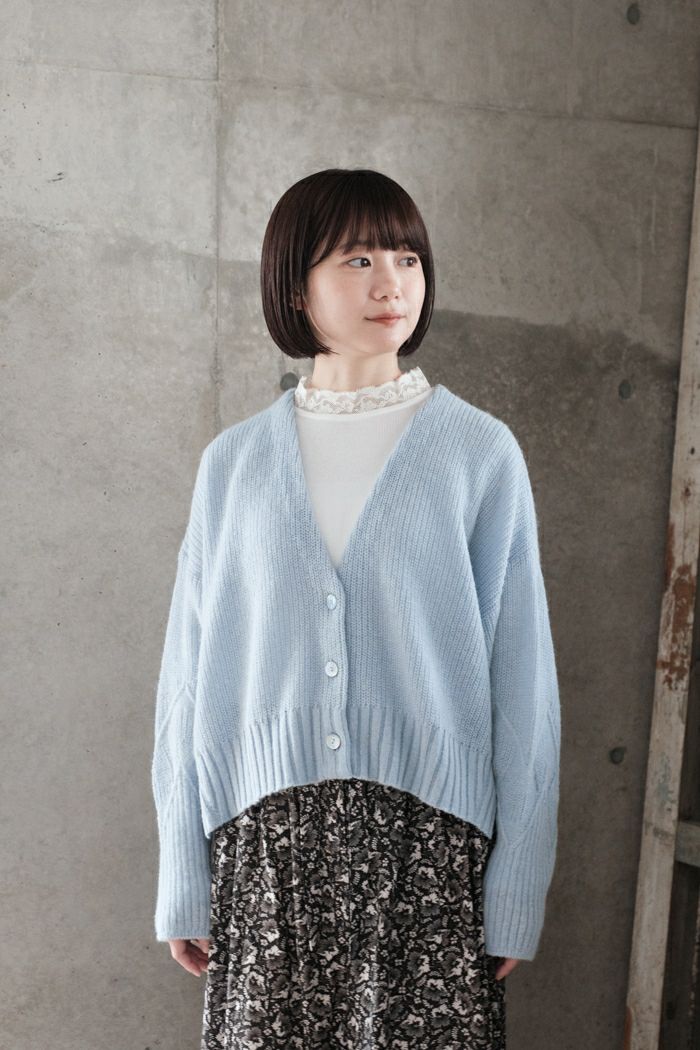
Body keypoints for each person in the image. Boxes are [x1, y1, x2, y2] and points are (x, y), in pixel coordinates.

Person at [151, 168, 561, 1049]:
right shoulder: (233, 466)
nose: (392, 284)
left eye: (408, 259)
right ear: (296, 286)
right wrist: (182, 873)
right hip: (265, 854)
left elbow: (524, 683)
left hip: (430, 855)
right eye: (359, 259)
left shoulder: (479, 454)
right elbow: (186, 682)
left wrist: (516, 886)